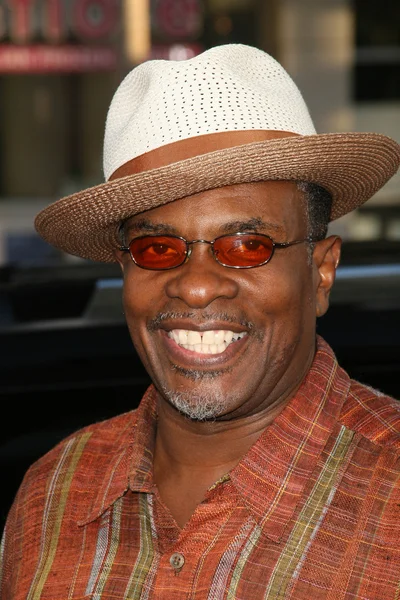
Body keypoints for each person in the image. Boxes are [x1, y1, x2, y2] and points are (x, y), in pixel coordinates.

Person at [1, 44, 400, 600]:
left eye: (245, 244)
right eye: (158, 248)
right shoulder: (54, 492)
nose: (195, 284)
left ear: (322, 272)